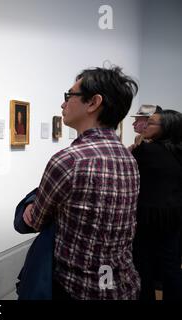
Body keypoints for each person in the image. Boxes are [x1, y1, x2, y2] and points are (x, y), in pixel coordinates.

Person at [22, 66, 140, 299]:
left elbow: (35, 220)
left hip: (77, 288)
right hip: (123, 284)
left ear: (93, 102)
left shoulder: (68, 160)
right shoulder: (129, 157)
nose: (63, 104)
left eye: (69, 96)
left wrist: (29, 207)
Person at [132, 109, 182, 300]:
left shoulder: (146, 151)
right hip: (174, 216)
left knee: (143, 266)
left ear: (166, 128)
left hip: (147, 216)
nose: (145, 125)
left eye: (150, 123)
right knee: (170, 266)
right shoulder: (177, 152)